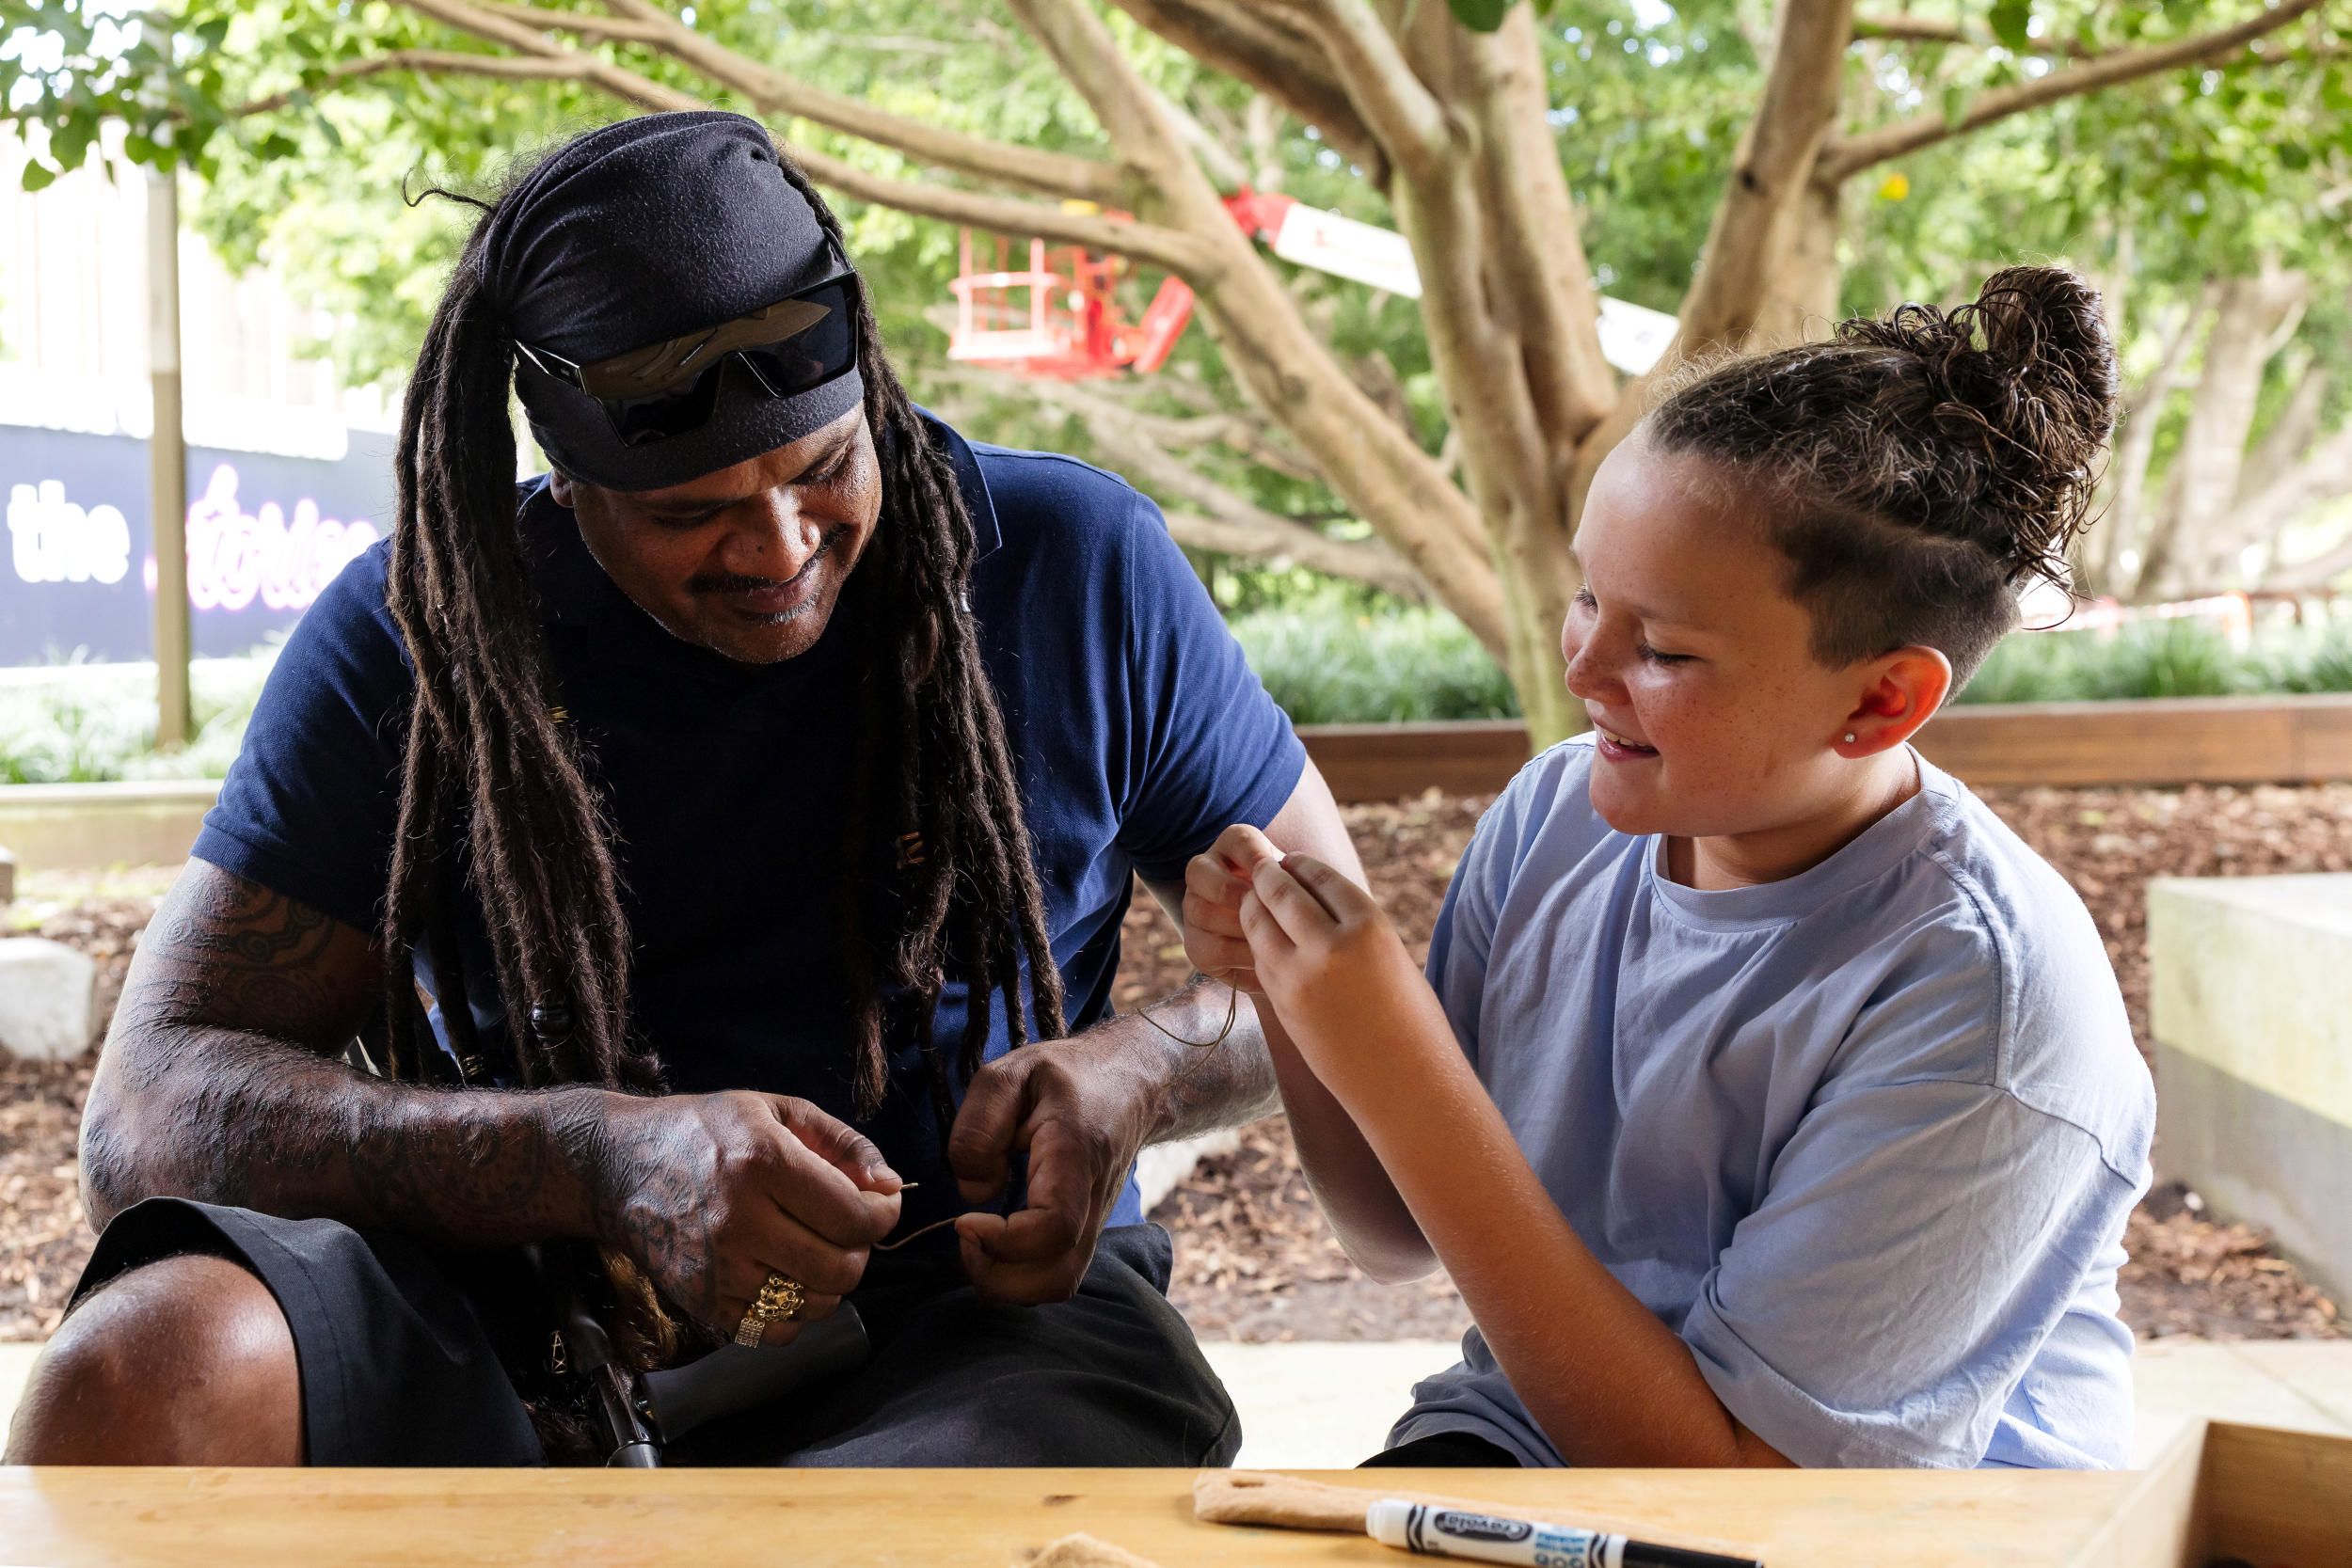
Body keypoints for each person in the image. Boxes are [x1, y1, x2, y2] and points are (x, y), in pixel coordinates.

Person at [6, 110, 1359, 1467]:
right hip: (529, 1326)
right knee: (147, 1368)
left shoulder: (1076, 563)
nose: (779, 548)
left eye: (825, 467)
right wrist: (592, 1157)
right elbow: (148, 1114)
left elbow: (1343, 965)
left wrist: (1137, 1067)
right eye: (687, 512)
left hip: (977, 1325)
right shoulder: (423, 640)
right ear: (572, 485)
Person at [1182, 267, 2156, 1470]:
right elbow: (1396, 1233)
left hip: (1870, 1535)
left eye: (1663, 648)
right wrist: (1304, 1013)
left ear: (1879, 700)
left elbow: (1731, 1488)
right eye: (1586, 592)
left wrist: (1400, 1059)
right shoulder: (1558, 816)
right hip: (1540, 1443)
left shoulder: (1982, 998)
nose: (1584, 664)